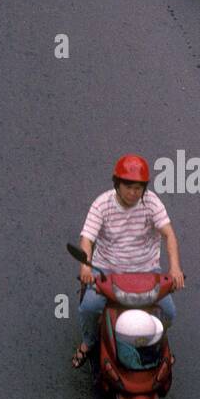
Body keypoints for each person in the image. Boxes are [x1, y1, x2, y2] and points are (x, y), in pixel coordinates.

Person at [71, 154, 184, 369]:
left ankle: (158, 341)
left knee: (170, 312)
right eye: (128, 187)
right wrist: (85, 265)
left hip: (146, 270)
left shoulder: (151, 202)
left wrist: (175, 268)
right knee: (88, 307)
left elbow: (169, 234)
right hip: (107, 271)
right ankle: (88, 342)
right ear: (117, 184)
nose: (133, 193)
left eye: (138, 188)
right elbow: (87, 239)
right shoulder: (102, 204)